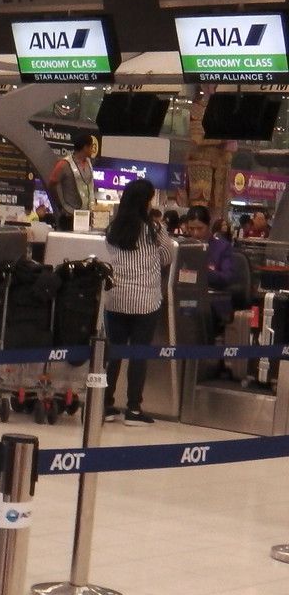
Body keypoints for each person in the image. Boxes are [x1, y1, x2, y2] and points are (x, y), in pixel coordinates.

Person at [101, 178, 177, 425]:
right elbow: (168, 256)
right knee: (138, 353)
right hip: (145, 301)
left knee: (114, 353)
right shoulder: (154, 229)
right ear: (146, 201)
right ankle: (133, 408)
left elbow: (110, 253)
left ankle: (105, 404)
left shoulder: (113, 229)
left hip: (116, 299)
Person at [47, 132, 99, 231]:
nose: (92, 150)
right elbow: (51, 184)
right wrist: (62, 205)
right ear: (85, 147)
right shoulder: (64, 164)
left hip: (86, 216)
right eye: (91, 147)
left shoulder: (89, 163)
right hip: (69, 216)